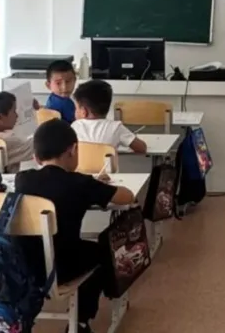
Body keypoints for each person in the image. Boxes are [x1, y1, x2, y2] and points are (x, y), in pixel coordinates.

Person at [15, 119, 135, 333]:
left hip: (22, 264)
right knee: (104, 252)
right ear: (73, 150)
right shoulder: (81, 183)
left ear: (36, 157)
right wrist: (98, 184)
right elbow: (127, 197)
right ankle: (81, 320)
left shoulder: (22, 180)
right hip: (61, 267)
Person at [72, 80, 147, 153]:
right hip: (107, 162)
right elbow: (142, 148)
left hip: (81, 162)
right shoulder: (116, 127)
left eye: (76, 108)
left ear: (84, 111)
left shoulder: (75, 127)